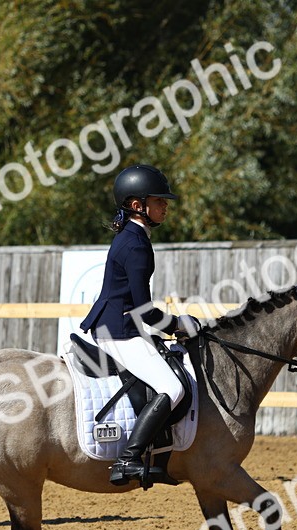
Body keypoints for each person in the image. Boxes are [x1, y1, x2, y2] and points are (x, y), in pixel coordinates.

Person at [79, 164, 198, 486]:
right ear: (137, 205)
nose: (165, 206)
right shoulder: (135, 244)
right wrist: (178, 324)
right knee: (172, 387)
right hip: (118, 330)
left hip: (121, 325)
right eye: (159, 201)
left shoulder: (133, 237)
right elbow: (144, 311)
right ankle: (128, 459)